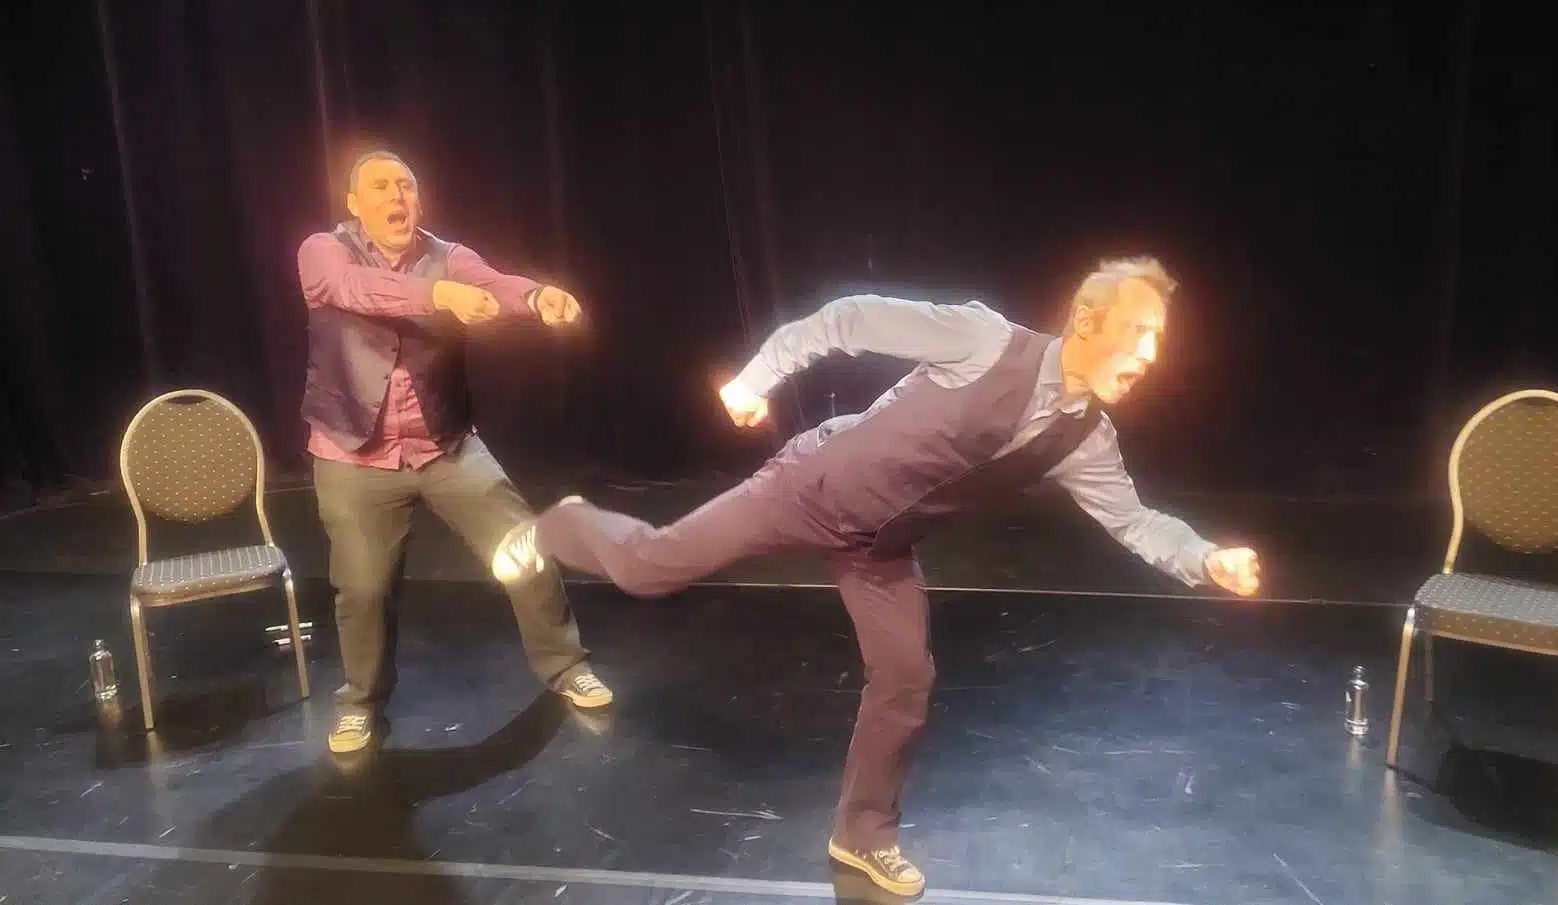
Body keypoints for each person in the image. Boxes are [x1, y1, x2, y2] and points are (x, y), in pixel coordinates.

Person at [490, 255, 1260, 896]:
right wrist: (757, 378)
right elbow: (850, 319)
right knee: (649, 567)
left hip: (881, 545)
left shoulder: (1085, 438)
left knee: (906, 676)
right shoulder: (985, 339)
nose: (1151, 354)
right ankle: (557, 525)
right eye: (1139, 332)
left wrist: (1205, 557)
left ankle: (862, 833)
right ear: (1087, 322)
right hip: (808, 487)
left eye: (1159, 340)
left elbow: (1135, 520)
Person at [299, 149, 613, 755]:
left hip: (443, 445)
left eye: (406, 186)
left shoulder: (449, 256)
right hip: (353, 454)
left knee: (524, 549)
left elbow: (494, 283)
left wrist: (538, 296)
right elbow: (354, 288)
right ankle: (360, 702)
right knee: (363, 590)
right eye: (380, 187)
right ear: (354, 204)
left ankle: (567, 665)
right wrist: (440, 295)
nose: (396, 196)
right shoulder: (323, 252)